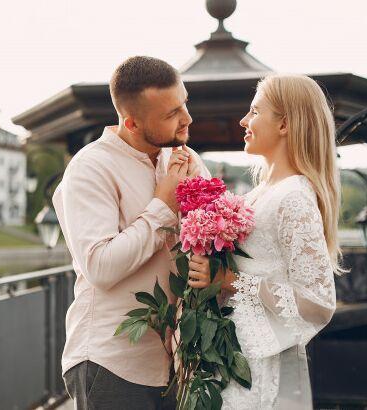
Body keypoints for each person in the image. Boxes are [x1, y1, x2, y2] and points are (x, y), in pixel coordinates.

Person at [54, 56, 209, 409]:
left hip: (179, 361)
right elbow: (100, 267)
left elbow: (213, 238)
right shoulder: (89, 168)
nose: (186, 118)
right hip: (111, 364)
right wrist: (163, 206)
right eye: (171, 113)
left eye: (184, 103)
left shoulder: (187, 160)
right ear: (132, 122)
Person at [188, 74, 340, 409]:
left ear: (284, 124)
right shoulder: (259, 194)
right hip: (230, 357)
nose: (244, 121)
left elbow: (318, 302)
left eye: (255, 112)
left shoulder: (294, 198)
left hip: (261, 368)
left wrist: (230, 280)